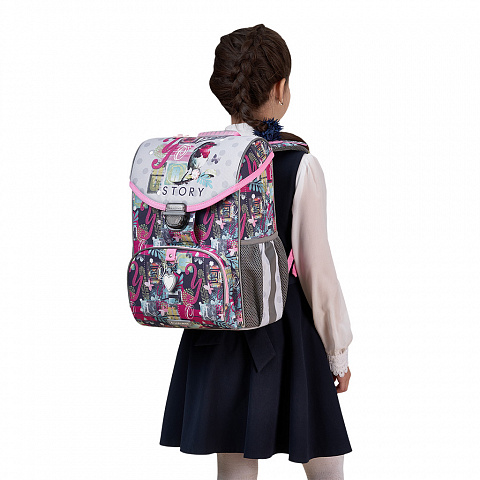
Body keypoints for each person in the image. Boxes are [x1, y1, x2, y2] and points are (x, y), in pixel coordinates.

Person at [159, 24, 353, 480]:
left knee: (235, 466)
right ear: (281, 87)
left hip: (216, 330)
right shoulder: (297, 164)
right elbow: (317, 273)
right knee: (325, 459)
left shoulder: (199, 162)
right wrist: (338, 352)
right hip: (284, 330)